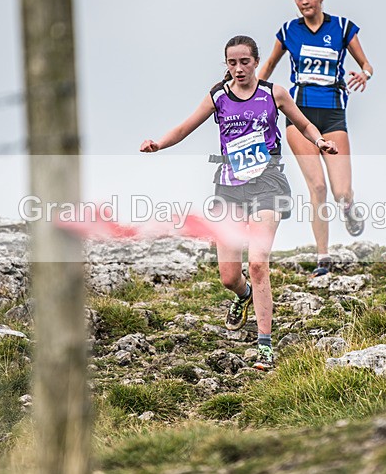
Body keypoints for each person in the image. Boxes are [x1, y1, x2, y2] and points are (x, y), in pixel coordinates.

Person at [140, 35, 337, 370]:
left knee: (258, 263)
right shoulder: (219, 96)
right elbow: (187, 126)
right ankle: (243, 296)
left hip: (268, 184)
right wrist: (159, 144)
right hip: (229, 188)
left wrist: (319, 139)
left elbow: (302, 122)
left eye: (244, 61)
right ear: (226, 65)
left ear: (255, 61)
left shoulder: (273, 93)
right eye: (232, 63)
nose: (238, 69)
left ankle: (264, 345)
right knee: (229, 276)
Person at [258, 0, 374, 277]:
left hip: (334, 115)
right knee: (318, 187)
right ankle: (323, 257)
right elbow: (268, 67)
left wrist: (365, 74)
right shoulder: (288, 31)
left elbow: (366, 64)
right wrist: (253, 94)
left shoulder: (342, 27)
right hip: (300, 116)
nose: (305, 2)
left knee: (341, 192)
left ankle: (349, 209)